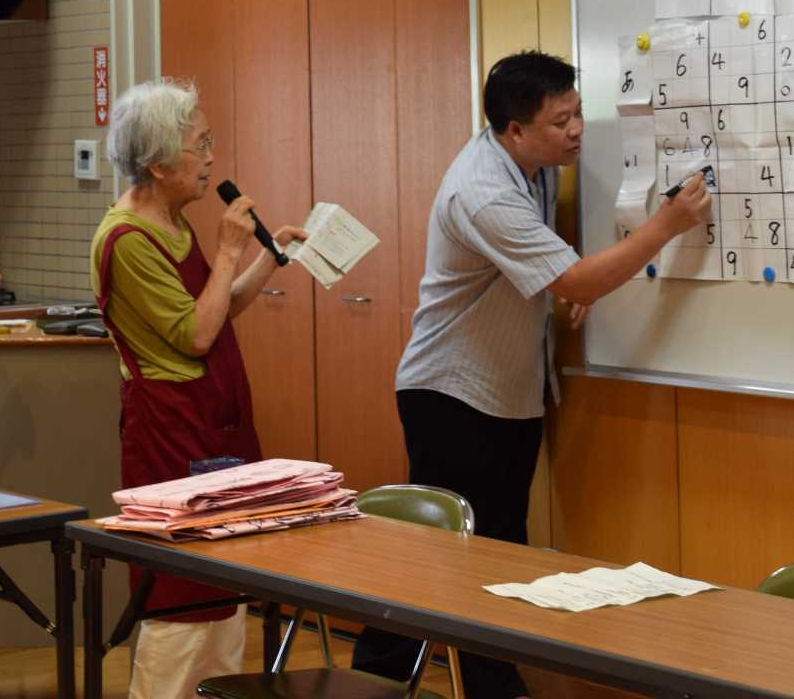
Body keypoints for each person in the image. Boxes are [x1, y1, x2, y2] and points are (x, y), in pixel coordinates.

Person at [352, 51, 712, 699]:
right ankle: (384, 679)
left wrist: (559, 285)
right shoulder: (482, 188)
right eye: (559, 121)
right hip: (451, 392)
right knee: (446, 550)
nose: (576, 131)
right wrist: (665, 226)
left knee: (497, 548)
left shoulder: (536, 163)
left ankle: (485, 680)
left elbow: (552, 273)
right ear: (513, 130)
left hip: (506, 393)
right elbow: (573, 275)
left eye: (577, 113)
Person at [93, 79, 306, 699]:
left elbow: (219, 308)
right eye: (199, 145)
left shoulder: (176, 220)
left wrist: (265, 258)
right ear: (158, 164)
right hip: (171, 434)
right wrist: (228, 250)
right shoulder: (127, 238)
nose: (212, 156)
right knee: (181, 603)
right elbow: (194, 336)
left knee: (227, 591)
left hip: (218, 426)